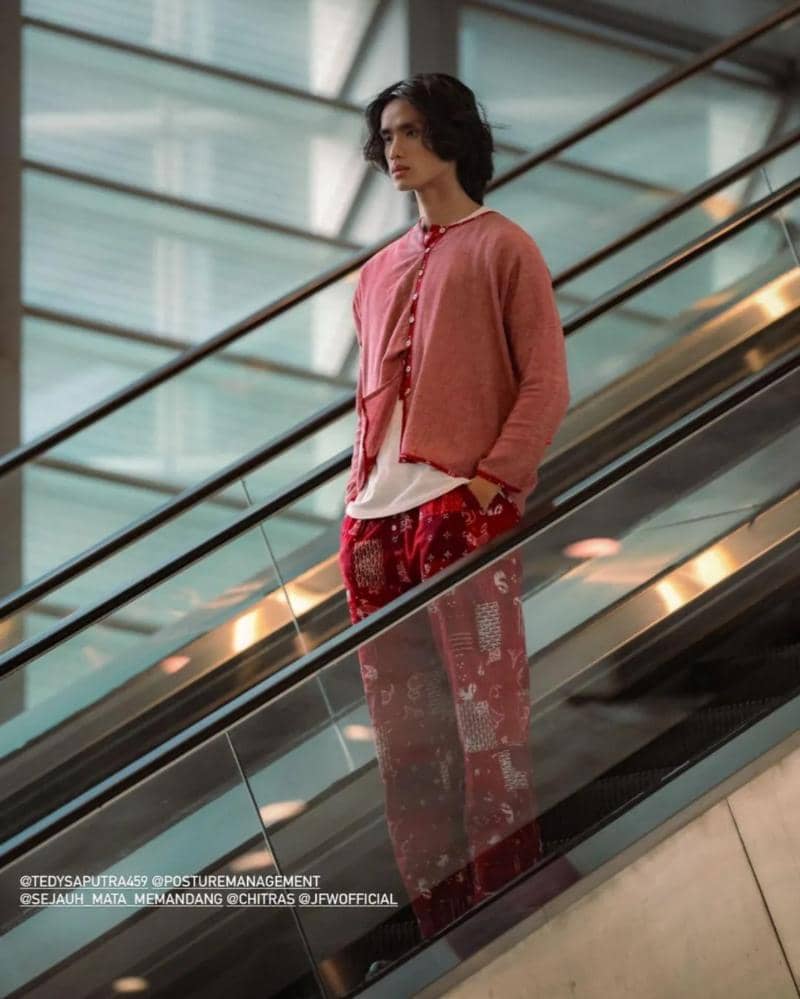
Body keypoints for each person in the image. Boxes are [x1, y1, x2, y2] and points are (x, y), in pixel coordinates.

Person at [338, 73, 570, 945]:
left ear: (451, 135)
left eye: (409, 131)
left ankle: (508, 911)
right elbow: (370, 404)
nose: (393, 149)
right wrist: (357, 500)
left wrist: (489, 485)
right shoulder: (374, 273)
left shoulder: (505, 247)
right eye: (385, 136)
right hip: (373, 525)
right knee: (405, 747)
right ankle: (443, 930)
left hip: (459, 512)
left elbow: (546, 382)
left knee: (486, 724)